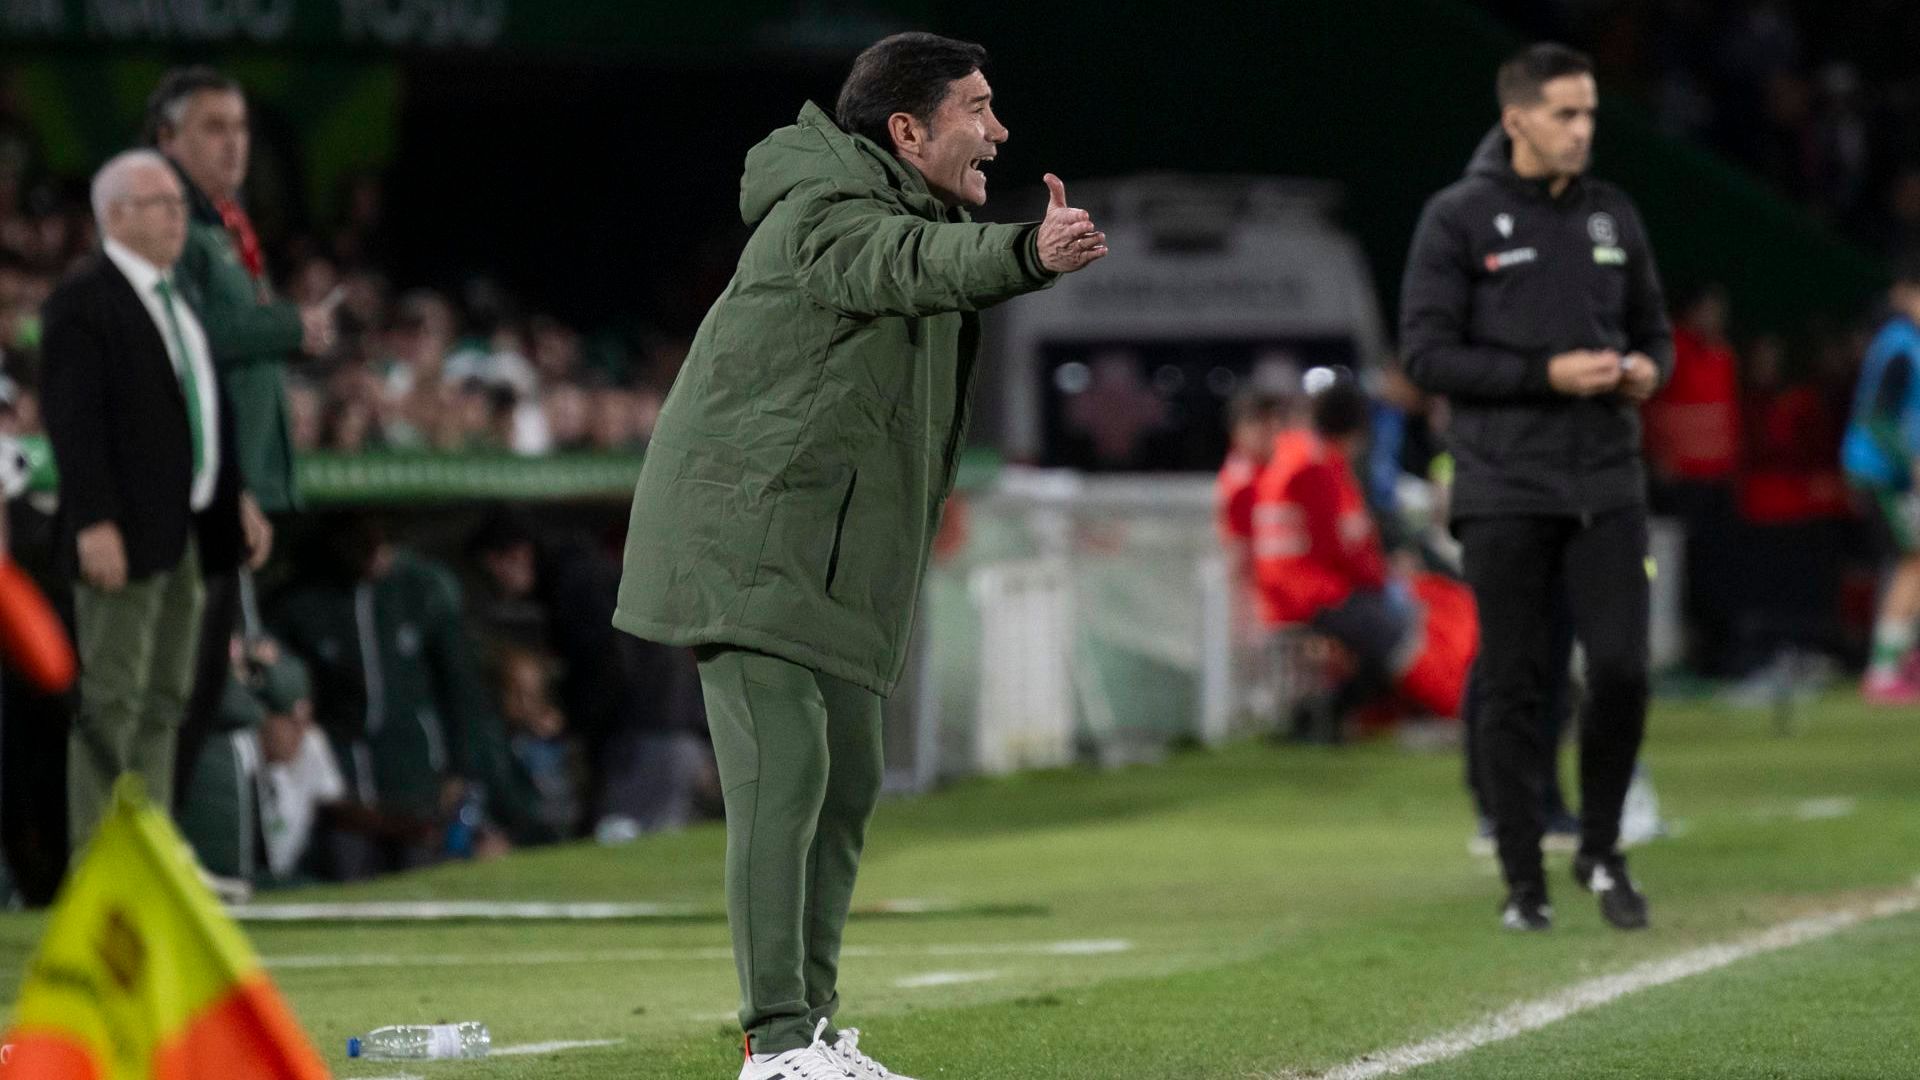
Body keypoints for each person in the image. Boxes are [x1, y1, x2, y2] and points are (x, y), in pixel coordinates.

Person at [612, 31, 1107, 1080]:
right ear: (908, 131)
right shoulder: (824, 212)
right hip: (747, 536)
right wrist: (1027, 253)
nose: (999, 129)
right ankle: (774, 1042)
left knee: (847, 780)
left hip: (820, 550)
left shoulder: (907, 208)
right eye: (978, 108)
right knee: (786, 772)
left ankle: (815, 1032)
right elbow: (904, 267)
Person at [1401, 43, 1671, 932]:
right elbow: (1426, 356)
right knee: (1516, 683)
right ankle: (1523, 879)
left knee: (1623, 669)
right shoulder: (1457, 217)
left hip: (1606, 480)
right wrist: (1544, 375)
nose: (1583, 129)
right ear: (1517, 119)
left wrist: (1645, 369)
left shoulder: (1612, 213)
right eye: (1566, 113)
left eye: (1589, 112)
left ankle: (1600, 846)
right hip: (1504, 486)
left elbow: (1655, 334)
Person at [40, 150, 251, 852]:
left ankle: (150, 851)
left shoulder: (174, 298)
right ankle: (99, 861)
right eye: (162, 204)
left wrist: (234, 497)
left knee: (166, 698)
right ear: (117, 213)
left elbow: (202, 411)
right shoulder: (84, 299)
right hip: (124, 533)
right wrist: (94, 521)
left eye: (180, 204)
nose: (178, 217)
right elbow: (75, 421)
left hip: (185, 528)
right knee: (113, 701)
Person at [148, 66, 333, 813]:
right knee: (195, 686)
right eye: (214, 128)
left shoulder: (224, 225)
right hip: (199, 488)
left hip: (233, 485)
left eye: (242, 128)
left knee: (226, 681)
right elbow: (184, 340)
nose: (235, 144)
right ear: (168, 138)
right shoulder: (165, 224)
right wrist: (289, 325)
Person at [272, 514, 543, 880]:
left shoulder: (422, 589)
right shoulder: (303, 602)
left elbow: (461, 689)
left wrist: (460, 768)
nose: (378, 557)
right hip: (345, 794)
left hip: (418, 787)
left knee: (425, 887)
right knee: (350, 891)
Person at [470, 511, 709, 838]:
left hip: (647, 734)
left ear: (517, 554)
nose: (496, 583)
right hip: (667, 727)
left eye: (493, 569)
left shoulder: (577, 583)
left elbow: (606, 667)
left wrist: (574, 725)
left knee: (622, 846)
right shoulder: (583, 573)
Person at [1840, 255, 1920, 702]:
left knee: (1909, 561)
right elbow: (1879, 417)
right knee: (1913, 560)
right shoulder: (1900, 345)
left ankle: (1902, 657)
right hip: (1881, 473)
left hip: (1886, 473)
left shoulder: (1902, 342)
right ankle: (1884, 671)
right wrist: (1912, 462)